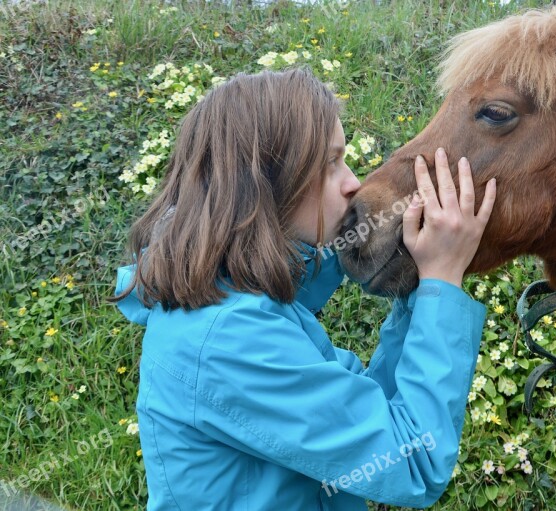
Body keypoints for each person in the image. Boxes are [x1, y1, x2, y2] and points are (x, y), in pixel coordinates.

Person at [110, 68, 497, 510]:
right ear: (265, 182)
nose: (353, 181)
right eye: (329, 163)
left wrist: (418, 289)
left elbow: (375, 414)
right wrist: (443, 279)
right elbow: (414, 460)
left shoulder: (248, 307)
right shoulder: (228, 340)